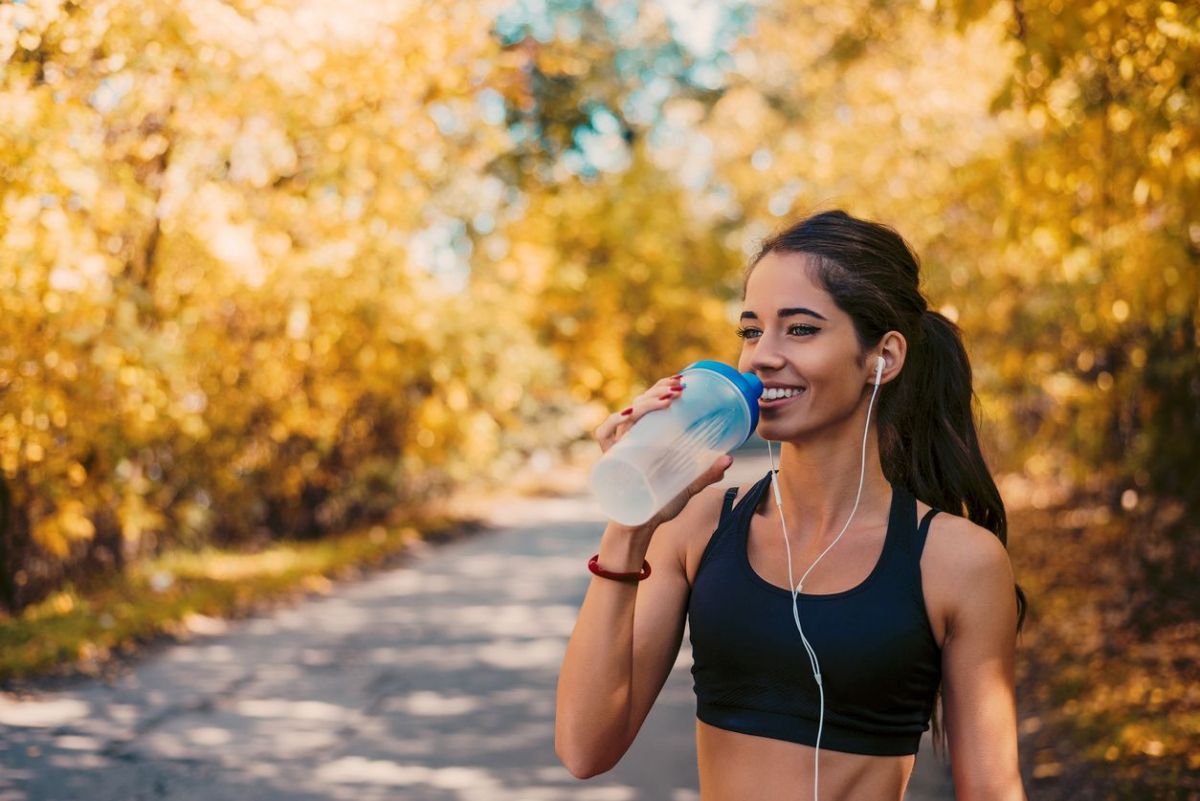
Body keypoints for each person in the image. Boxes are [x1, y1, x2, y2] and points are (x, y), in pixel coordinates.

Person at [555, 210, 1027, 801]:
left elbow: (992, 791)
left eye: (800, 329)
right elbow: (583, 748)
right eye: (751, 331)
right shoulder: (700, 528)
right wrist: (629, 522)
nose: (760, 357)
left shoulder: (957, 561)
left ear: (883, 357)